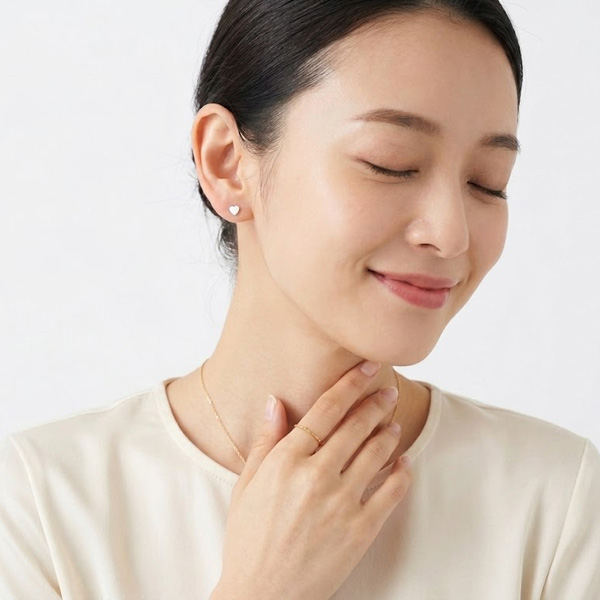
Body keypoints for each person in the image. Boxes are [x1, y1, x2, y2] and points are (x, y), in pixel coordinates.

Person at [1, 0, 599, 598]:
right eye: (391, 164)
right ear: (227, 162)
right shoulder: (36, 508)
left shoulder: (557, 502)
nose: (451, 234)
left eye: (487, 182)